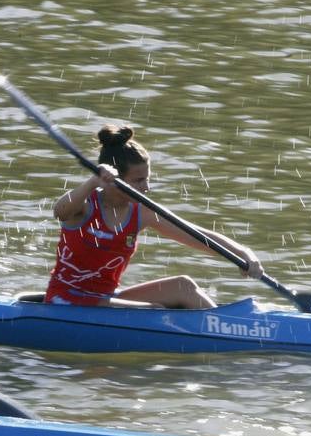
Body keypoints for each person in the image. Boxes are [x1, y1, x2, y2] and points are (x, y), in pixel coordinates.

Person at [43, 124, 264, 308]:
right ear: (114, 179)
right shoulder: (84, 206)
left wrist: (244, 253)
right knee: (153, 309)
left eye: (147, 179)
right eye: (139, 181)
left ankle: (225, 329)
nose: (146, 187)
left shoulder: (142, 212)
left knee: (183, 286)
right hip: (67, 299)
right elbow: (59, 211)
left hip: (106, 299)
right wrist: (93, 181)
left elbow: (197, 236)